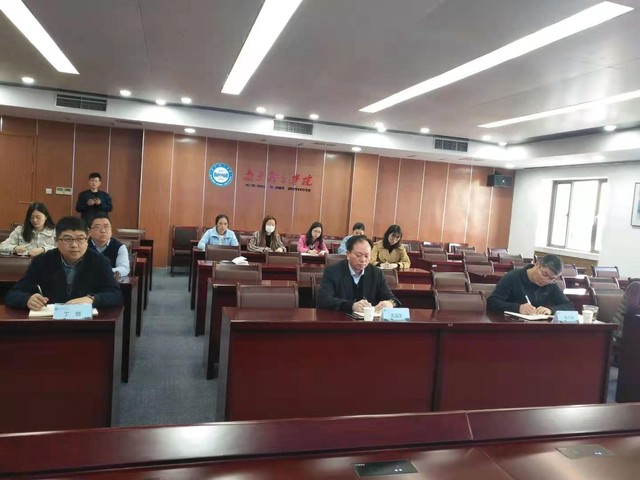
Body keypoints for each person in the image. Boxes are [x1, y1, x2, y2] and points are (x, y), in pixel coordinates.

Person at [5, 216, 123, 310]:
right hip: (49, 323)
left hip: (86, 324)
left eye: (80, 239)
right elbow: (13, 294)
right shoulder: (42, 261)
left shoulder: (100, 262)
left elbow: (116, 295)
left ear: (87, 239)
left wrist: (92, 299)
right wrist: (27, 299)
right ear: (56, 241)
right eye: (67, 239)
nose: (74, 245)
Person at [318, 235, 400, 313]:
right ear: (348, 254)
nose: (363, 260)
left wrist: (390, 303)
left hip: (368, 321)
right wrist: (351, 306)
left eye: (367, 256)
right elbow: (323, 299)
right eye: (358, 255)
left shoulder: (376, 273)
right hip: (340, 320)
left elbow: (392, 299)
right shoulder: (332, 271)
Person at [487, 254, 574, 314]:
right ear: (537, 264)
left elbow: (569, 306)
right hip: (510, 326)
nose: (546, 280)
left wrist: (551, 310)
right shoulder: (513, 277)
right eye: (544, 274)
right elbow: (492, 302)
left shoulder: (551, 285)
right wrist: (518, 308)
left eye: (551, 278)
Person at [88, 214, 130, 278]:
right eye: (98, 227)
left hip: (110, 281)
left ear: (111, 230)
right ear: (89, 231)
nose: (103, 231)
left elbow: (124, 269)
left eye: (106, 227)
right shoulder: (83, 246)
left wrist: (102, 272)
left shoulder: (119, 247)